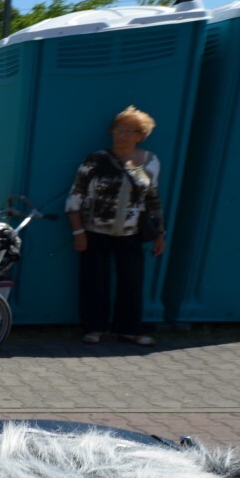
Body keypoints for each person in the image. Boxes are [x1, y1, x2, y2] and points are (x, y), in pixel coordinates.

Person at [66, 106, 167, 346]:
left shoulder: (151, 161)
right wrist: (78, 231)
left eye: (129, 131)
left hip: (131, 231)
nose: (122, 135)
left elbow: (153, 198)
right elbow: (75, 195)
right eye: (118, 130)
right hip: (95, 230)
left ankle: (129, 330)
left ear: (140, 135)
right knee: (94, 281)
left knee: (132, 281)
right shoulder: (96, 159)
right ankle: (94, 329)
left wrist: (160, 233)